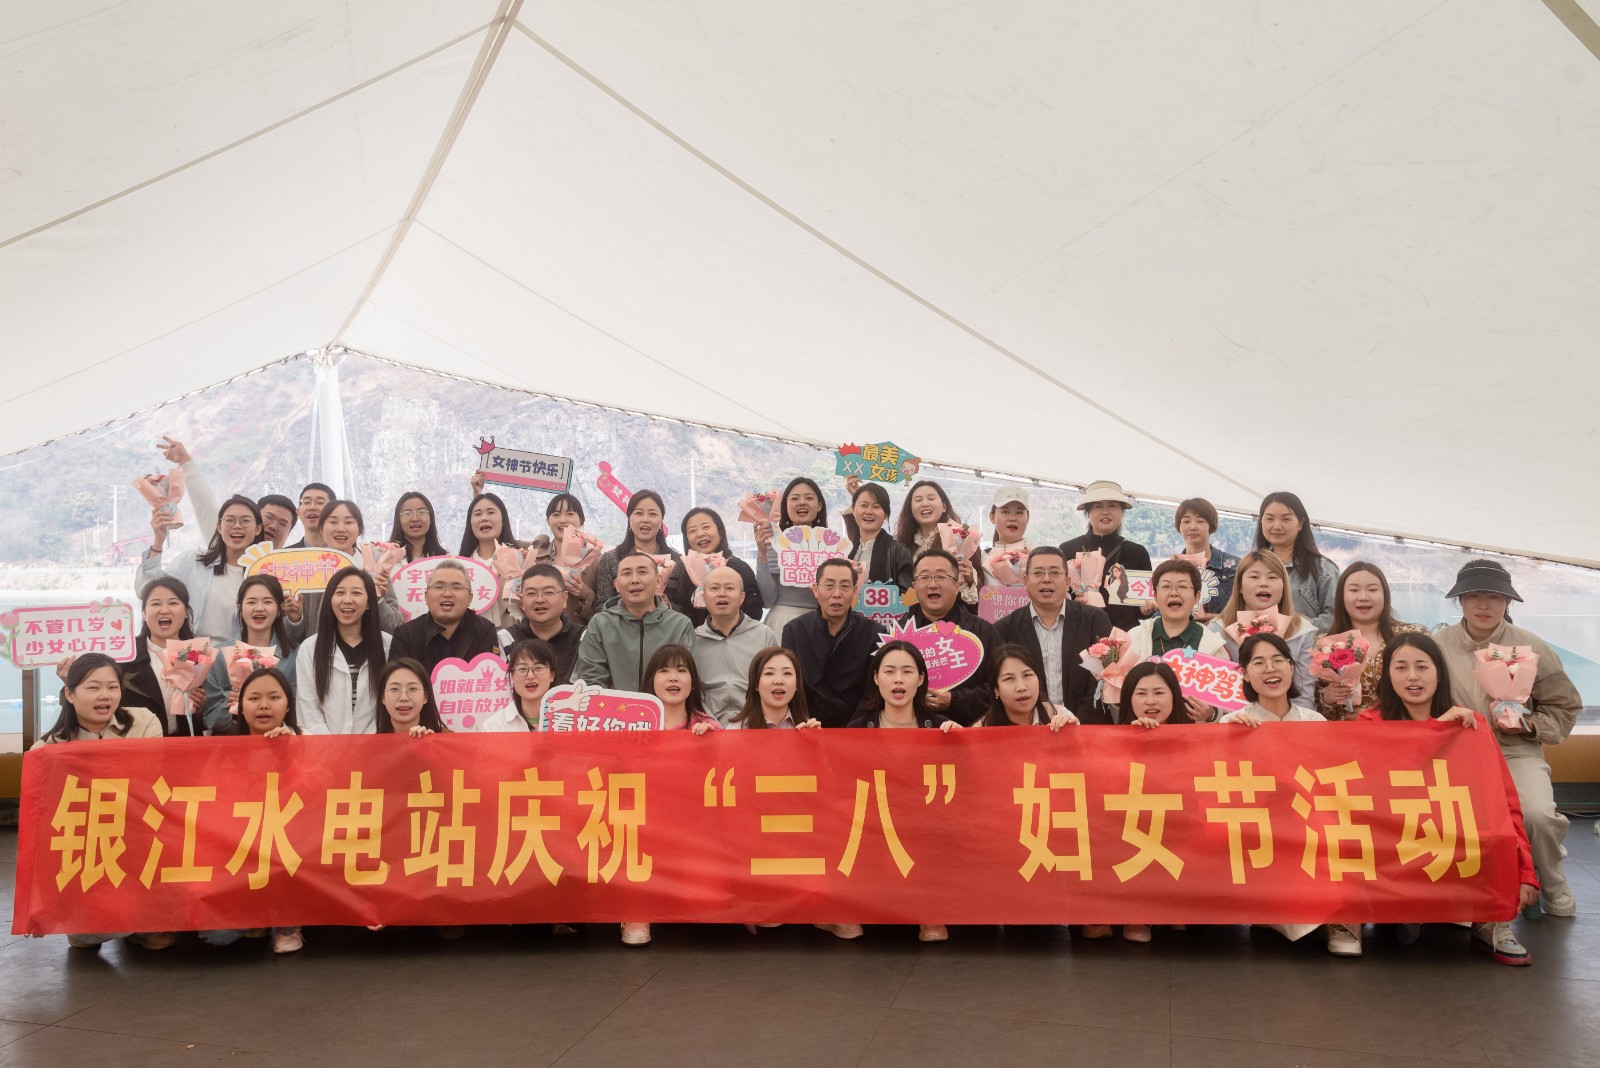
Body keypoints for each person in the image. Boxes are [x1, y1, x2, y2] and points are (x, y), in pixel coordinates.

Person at [1348, 632, 1540, 964]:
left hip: (1451, 827)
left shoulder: (1469, 723)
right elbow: (1375, 786)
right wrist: (1434, 731)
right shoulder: (1370, 721)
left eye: (1422, 667)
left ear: (1439, 672)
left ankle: (1489, 922)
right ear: (1387, 675)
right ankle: (1407, 909)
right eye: (1401, 667)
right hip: (1395, 831)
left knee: (1493, 833)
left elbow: (1504, 801)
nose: (1412, 677)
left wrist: (1525, 872)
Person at [1435, 559, 1583, 918]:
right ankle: (1452, 894)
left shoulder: (1531, 647)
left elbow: (1565, 706)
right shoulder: (1436, 646)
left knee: (1536, 814)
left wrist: (1527, 725)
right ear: (1460, 600)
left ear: (1508, 602)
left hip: (1516, 751)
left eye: (1494, 596)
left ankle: (1552, 879)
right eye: (1474, 596)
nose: (1483, 605)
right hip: (1456, 753)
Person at [34, 654, 169, 952]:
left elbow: (148, 781)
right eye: (93, 687)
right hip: (86, 843)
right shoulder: (46, 748)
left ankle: (143, 922)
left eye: (112, 687)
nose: (105, 695)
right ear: (69, 694)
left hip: (136, 829)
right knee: (86, 937)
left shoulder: (144, 721)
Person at [847, 641, 959, 943]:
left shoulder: (941, 728)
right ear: (876, 678)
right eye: (890, 671)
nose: (898, 679)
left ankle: (929, 910)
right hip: (874, 830)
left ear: (920, 679)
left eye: (907, 671)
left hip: (927, 832)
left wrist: (962, 745)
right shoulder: (857, 729)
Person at [620, 644, 720, 948]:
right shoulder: (629, 725)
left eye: (681, 670)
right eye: (664, 670)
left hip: (693, 828)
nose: (672, 677)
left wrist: (711, 746)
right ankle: (635, 911)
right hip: (641, 825)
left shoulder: (709, 726)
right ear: (651, 680)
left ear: (693, 682)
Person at [205, 667, 304, 954]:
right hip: (238, 853)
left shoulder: (305, 743)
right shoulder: (222, 752)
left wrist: (291, 751)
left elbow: (319, 797)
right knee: (217, 936)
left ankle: (287, 924)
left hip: (289, 850)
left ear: (288, 704)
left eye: (274, 697)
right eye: (254, 698)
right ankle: (258, 917)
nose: (263, 706)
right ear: (239, 705)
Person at [1099, 659, 1191, 942]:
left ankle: (1178, 905)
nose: (1151, 701)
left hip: (1182, 824)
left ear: (1174, 696)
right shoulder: (1112, 739)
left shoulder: (1195, 736)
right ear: (1129, 699)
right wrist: (1135, 741)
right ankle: (1137, 913)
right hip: (1132, 826)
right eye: (1141, 693)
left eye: (1159, 692)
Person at [993, 547, 1113, 721]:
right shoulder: (1004, 629)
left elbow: (1102, 678)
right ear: (1025, 581)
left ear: (1068, 581)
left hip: (1087, 726)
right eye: (1038, 573)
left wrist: (1077, 724)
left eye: (1055, 573)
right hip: (1029, 728)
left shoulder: (1095, 620)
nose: (1046, 579)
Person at [138, 493, 264, 641]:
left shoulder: (264, 573)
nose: (237, 526)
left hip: (239, 654)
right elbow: (145, 589)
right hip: (189, 651)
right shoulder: (192, 561)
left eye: (245, 521)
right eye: (229, 520)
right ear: (219, 527)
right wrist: (158, 541)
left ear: (258, 529)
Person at [780, 558, 885, 728]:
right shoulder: (794, 631)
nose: (837, 593)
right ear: (815, 589)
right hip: (806, 726)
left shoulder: (874, 633)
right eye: (829, 586)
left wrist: (853, 727)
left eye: (845, 586)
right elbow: (791, 685)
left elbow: (872, 692)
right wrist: (805, 722)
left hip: (857, 727)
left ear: (855, 590)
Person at [1314, 561, 1424, 719]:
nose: (1363, 597)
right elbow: (1313, 709)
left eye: (1372, 589)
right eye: (1354, 590)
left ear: (1385, 594)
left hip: (1400, 729)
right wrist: (1328, 698)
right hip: (1345, 733)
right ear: (1341, 596)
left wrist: (1374, 716)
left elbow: (1427, 691)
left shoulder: (1412, 636)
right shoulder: (1325, 644)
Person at [1120, 559, 1226, 722]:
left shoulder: (1214, 645)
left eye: (1182, 586)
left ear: (1197, 596)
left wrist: (1211, 715)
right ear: (1155, 595)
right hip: (1144, 732)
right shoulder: (1134, 638)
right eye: (1166, 587)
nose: (1174, 593)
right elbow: (1120, 696)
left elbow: (1226, 706)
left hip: (1193, 735)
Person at [576, 551, 695, 692]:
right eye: (626, 573)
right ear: (617, 585)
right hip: (614, 705)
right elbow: (592, 678)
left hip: (665, 705)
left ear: (658, 581)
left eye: (642, 572)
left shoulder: (680, 625)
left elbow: (687, 678)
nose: (634, 580)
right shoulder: (600, 624)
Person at [904, 548, 996, 725]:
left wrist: (955, 700)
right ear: (914, 585)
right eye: (924, 577)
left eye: (941, 576)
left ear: (957, 584)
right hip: (912, 731)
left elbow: (999, 687)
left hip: (968, 731)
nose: (933, 584)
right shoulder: (898, 633)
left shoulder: (982, 632)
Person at [1209, 550, 1318, 699]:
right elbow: (1213, 690)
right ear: (1239, 586)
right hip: (1234, 711)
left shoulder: (1302, 630)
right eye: (1254, 577)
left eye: (1272, 577)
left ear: (1284, 586)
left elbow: (1304, 694)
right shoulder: (1218, 631)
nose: (1263, 583)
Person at [295, 567, 392, 734]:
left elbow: (387, 706)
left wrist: (366, 743)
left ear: (369, 602)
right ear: (330, 600)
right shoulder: (310, 648)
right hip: (323, 746)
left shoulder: (387, 645)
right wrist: (333, 746)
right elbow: (308, 709)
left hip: (374, 744)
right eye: (340, 593)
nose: (347, 600)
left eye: (356, 593)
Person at [202, 574, 299, 733]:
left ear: (279, 609)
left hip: (281, 740)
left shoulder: (295, 656)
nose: (259, 608)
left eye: (267, 602)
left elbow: (301, 710)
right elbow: (211, 717)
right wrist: (238, 703)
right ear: (240, 609)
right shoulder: (220, 655)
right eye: (251, 602)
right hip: (232, 743)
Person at [294, 501, 401, 638]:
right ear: (321, 529)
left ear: (360, 530)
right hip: (318, 649)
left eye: (349, 522)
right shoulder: (308, 569)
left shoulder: (375, 567)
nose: (341, 528)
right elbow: (293, 636)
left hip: (367, 649)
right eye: (333, 522)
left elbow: (394, 627)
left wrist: (377, 600)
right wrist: (294, 619)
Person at [1058, 479, 1152, 632]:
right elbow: (1058, 597)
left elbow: (1143, 608)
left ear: (1122, 512)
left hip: (1124, 635)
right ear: (1088, 512)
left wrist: (1145, 610)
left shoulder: (1137, 552)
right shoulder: (1067, 549)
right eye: (1098, 506)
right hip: (1080, 633)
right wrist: (1073, 605)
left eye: (1113, 506)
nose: (1106, 511)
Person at [119, 576, 207, 737]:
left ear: (186, 612)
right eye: (155, 604)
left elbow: (209, 717)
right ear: (144, 613)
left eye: (173, 603)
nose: (164, 610)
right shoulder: (125, 655)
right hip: (141, 744)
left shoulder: (200, 653)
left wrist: (199, 708)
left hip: (186, 745)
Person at [692, 566, 777, 725]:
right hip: (707, 727)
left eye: (729, 588)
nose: (721, 593)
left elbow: (775, 685)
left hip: (756, 725)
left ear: (742, 597)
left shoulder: (764, 635)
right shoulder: (694, 640)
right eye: (714, 588)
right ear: (704, 597)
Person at [587, 490, 685, 619]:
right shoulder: (610, 559)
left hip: (667, 629)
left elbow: (687, 610)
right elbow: (600, 608)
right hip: (622, 629)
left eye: (653, 514)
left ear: (661, 522)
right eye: (639, 513)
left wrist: (667, 605)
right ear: (630, 520)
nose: (645, 519)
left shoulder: (677, 561)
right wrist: (626, 603)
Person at [388, 559, 498, 673]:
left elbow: (490, 676)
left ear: (470, 598)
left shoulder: (485, 630)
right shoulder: (405, 634)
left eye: (456, 587)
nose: (447, 594)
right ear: (426, 596)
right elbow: (397, 679)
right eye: (439, 587)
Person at [755, 477, 832, 634]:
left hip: (821, 622)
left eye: (809, 498)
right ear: (785, 506)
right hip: (781, 622)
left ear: (819, 505)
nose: (802, 502)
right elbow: (767, 600)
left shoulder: (832, 546)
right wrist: (762, 553)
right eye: (795, 498)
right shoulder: (774, 544)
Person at [1254, 492, 1339, 631]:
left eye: (1285, 519)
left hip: (1306, 644)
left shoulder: (1324, 569)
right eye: (1269, 519)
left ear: (1300, 523)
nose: (1276, 526)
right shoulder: (1251, 566)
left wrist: (1293, 629)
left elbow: (1335, 617)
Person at [894, 479, 981, 607]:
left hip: (952, 614)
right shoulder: (901, 545)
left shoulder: (962, 539)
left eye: (931, 498)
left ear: (944, 506)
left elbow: (983, 586)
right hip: (911, 613)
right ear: (911, 509)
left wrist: (970, 577)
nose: (925, 504)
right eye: (918, 500)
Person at [513, 491, 596, 622]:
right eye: (556, 514)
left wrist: (585, 594)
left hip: (580, 632)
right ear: (548, 521)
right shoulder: (534, 558)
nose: (563, 520)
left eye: (570, 513)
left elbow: (605, 608)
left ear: (581, 520)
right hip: (538, 632)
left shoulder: (595, 560)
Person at [673, 506, 763, 625]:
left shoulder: (738, 568)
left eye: (706, 527)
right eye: (692, 531)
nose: (700, 533)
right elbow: (680, 611)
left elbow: (754, 611)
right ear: (687, 539)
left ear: (720, 532)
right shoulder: (683, 571)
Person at [497, 564, 583, 682]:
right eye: (531, 593)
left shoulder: (585, 638)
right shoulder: (505, 639)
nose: (540, 599)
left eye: (549, 592)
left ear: (564, 598)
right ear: (522, 602)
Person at [1220, 633, 1326, 724]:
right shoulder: (1232, 722)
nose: (1270, 669)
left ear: (1291, 667)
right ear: (1245, 674)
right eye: (1259, 663)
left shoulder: (1315, 721)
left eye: (1278, 660)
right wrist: (1233, 735)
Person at [458, 491, 523, 627]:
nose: (484, 518)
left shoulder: (519, 558)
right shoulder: (459, 566)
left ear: (503, 520)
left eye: (491, 512)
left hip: (511, 634)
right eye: (477, 514)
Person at [979, 644, 1078, 728]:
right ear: (996, 689)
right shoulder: (981, 729)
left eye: (1027, 675)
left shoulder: (1060, 715)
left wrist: (1072, 733)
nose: (1021, 687)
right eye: (1009, 678)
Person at [1174, 497, 1238, 620]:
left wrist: (1220, 619)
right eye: (1186, 521)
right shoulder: (1170, 568)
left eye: (1200, 521)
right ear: (1179, 526)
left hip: (1220, 630)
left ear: (1211, 526)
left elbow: (1247, 610)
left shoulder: (1234, 566)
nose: (1193, 527)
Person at [843, 481, 913, 593]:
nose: (869, 511)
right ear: (853, 510)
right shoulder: (848, 549)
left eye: (876, 507)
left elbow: (907, 594)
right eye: (864, 505)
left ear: (886, 514)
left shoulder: (898, 551)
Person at [477, 638, 559, 732]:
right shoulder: (493, 727)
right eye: (522, 669)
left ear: (552, 675)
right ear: (512, 676)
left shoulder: (570, 720)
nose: (530, 676)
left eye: (538, 668)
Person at [731, 647, 821, 729]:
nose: (779, 681)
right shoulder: (736, 730)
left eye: (787, 673)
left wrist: (816, 739)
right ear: (755, 683)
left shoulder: (807, 727)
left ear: (797, 683)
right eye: (769, 673)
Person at [376, 658, 449, 736]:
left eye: (412, 689)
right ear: (383, 697)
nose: (403, 698)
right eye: (394, 689)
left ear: (425, 696)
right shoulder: (372, 742)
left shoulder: (447, 738)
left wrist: (431, 741)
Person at [986, 486, 1032, 586]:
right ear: (992, 517)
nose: (1012, 518)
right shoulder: (982, 559)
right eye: (1005, 512)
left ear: (1028, 518)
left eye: (1019, 512)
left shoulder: (1038, 558)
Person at [388, 491, 447, 562]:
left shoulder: (445, 559)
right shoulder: (386, 556)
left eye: (421, 512)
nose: (415, 519)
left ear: (431, 518)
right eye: (407, 514)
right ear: (398, 520)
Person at [286, 482, 335, 548]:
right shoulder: (286, 553)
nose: (312, 507)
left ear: (333, 511)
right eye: (306, 502)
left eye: (320, 502)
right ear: (298, 512)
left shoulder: (345, 553)